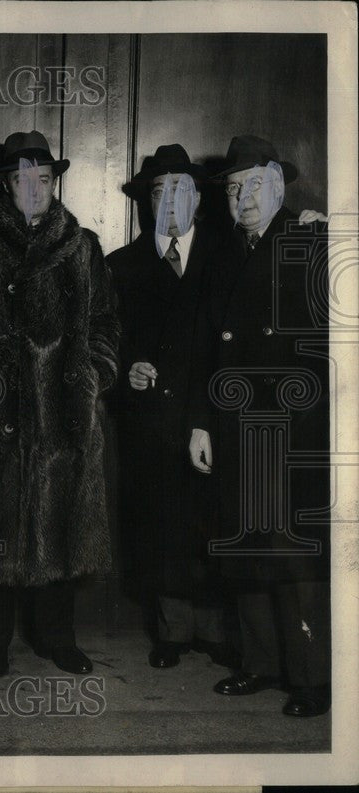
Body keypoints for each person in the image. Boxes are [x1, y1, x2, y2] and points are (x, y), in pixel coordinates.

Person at [0, 130, 119, 678]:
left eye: (43, 178)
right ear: (5, 187)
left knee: (60, 525)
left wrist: (92, 375)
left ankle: (57, 640)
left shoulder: (81, 246)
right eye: (22, 179)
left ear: (54, 182)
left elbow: (107, 324)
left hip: (63, 410)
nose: (34, 189)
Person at [187, 135, 331, 717]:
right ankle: (260, 663)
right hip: (233, 425)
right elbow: (205, 349)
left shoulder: (310, 240)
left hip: (296, 430)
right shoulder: (223, 254)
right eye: (232, 189)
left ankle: (312, 678)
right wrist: (200, 424)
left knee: (296, 559)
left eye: (253, 185)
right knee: (245, 551)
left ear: (279, 180)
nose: (242, 198)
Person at [109, 143, 238, 670]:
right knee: (159, 525)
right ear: (146, 200)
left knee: (210, 522)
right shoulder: (121, 264)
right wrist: (126, 370)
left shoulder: (226, 254)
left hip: (210, 411)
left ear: (199, 199)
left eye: (181, 189)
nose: (169, 200)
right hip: (151, 423)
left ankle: (212, 629)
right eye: (158, 191)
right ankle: (172, 631)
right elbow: (105, 343)